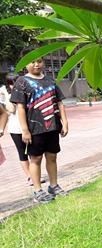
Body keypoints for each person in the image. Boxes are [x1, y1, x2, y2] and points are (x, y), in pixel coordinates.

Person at [10, 58, 69, 203]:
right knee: (35, 159)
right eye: (32, 61)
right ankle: (38, 190)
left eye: (39, 61)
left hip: (52, 127)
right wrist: (25, 130)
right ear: (25, 64)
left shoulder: (50, 81)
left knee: (52, 157)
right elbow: (21, 108)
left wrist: (65, 122)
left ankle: (54, 186)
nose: (36, 64)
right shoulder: (21, 82)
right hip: (34, 129)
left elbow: (60, 103)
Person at [0, 76, 47, 186]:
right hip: (15, 128)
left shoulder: (27, 91)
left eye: (15, 82)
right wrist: (10, 96)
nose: (13, 85)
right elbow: (10, 110)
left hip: (30, 126)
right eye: (11, 83)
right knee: (22, 153)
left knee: (34, 152)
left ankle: (36, 175)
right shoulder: (4, 92)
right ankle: (30, 177)